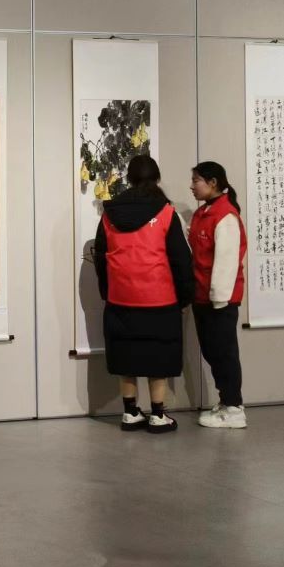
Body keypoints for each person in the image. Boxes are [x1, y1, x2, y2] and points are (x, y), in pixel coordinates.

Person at [93, 155, 194, 434]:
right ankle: (158, 414)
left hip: (121, 297)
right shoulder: (166, 213)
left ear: (130, 178)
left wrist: (107, 292)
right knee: (157, 352)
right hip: (159, 298)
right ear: (156, 178)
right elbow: (180, 259)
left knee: (126, 352)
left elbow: (100, 257)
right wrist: (185, 296)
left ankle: (129, 412)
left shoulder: (109, 214)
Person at [189, 161, 248, 429]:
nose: (192, 186)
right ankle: (226, 402)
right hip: (202, 296)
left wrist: (219, 299)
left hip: (219, 300)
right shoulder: (203, 213)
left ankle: (234, 409)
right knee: (213, 352)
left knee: (224, 353)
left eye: (196, 180)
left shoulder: (225, 215)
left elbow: (227, 262)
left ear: (212, 183)